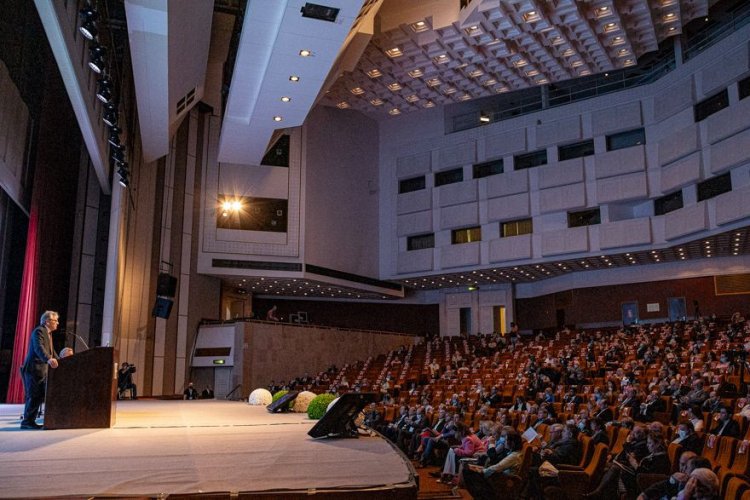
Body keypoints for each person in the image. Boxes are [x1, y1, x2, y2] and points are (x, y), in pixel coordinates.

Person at [20, 310, 61, 430]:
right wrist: (48, 359)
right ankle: (27, 422)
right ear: (47, 321)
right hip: (34, 369)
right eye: (55, 321)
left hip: (41, 370)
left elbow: (52, 352)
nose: (57, 323)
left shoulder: (48, 333)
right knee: (34, 396)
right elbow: (39, 348)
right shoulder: (39, 331)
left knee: (39, 395)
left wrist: (61, 362)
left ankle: (31, 420)